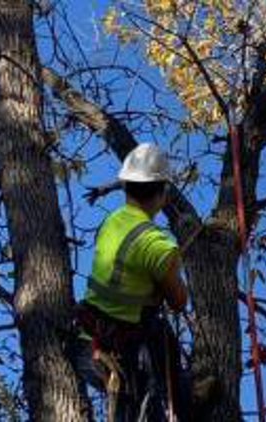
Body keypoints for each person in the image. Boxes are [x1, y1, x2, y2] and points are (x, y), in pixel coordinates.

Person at [72, 143, 190, 421]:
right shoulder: (157, 246)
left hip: (86, 342)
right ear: (163, 193)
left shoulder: (111, 221)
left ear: (125, 185)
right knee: (147, 410)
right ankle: (182, 400)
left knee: (163, 339)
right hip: (117, 356)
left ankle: (184, 394)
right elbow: (179, 302)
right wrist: (166, 272)